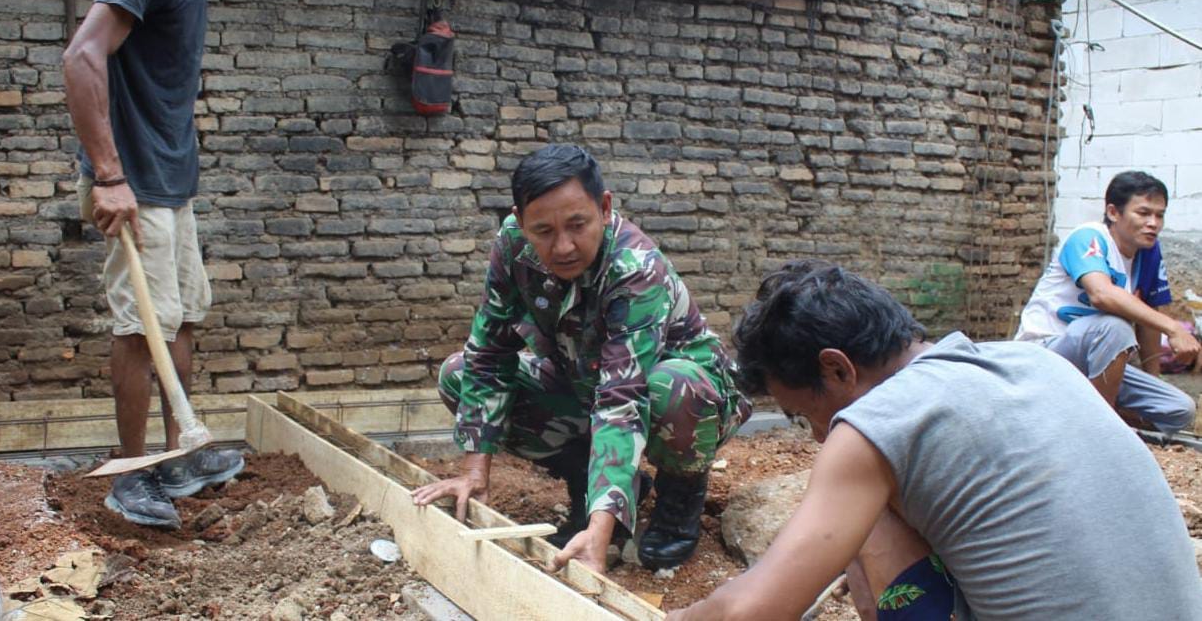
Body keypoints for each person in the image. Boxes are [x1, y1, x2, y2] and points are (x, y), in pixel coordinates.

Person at [669, 261, 1202, 621]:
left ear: (836, 369)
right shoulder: (1034, 361)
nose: (814, 433)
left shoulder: (877, 423)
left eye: (804, 413)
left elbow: (751, 611)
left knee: (866, 516)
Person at [412, 144, 751, 573]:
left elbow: (622, 399)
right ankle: (591, 486)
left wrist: (599, 532)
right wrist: (474, 468)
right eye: (544, 232)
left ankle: (679, 494)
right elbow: (489, 353)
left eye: (578, 224)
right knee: (457, 375)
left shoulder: (634, 268)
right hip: (584, 383)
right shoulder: (512, 246)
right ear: (520, 221)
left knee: (670, 387)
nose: (564, 246)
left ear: (605, 208)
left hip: (686, 400)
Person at [62, 0, 271, 528]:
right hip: (137, 180)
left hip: (169, 180)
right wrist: (108, 175)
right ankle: (133, 473)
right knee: (138, 327)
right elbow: (82, 56)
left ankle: (179, 449)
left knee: (180, 317)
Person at [1016, 170, 1198, 433]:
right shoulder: (1088, 237)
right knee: (1113, 326)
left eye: (1160, 215)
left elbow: (1148, 321)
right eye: (1144, 213)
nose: (1154, 223)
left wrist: (1153, 381)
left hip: (1097, 364)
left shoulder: (1148, 252)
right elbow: (1101, 295)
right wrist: (1174, 328)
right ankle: (1097, 431)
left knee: (1179, 409)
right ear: (1114, 213)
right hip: (1046, 355)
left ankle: (1086, 414)